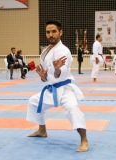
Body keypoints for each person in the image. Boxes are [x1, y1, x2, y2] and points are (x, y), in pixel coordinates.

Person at [26, 20, 89, 152]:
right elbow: (47, 77)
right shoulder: (45, 51)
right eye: (48, 32)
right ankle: (42, 130)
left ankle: (84, 140)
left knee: (73, 108)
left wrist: (57, 69)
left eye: (54, 31)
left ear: (60, 32)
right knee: (33, 102)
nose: (51, 35)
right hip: (51, 89)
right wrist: (43, 76)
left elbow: (60, 73)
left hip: (65, 89)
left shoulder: (62, 50)